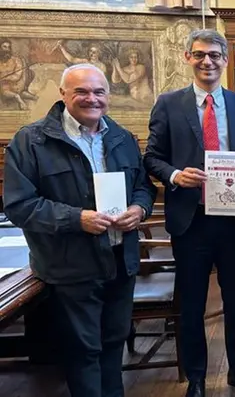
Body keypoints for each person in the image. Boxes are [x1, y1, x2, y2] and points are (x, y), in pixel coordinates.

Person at [3, 63, 157, 397]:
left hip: (120, 261)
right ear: (63, 95)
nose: (92, 99)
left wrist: (139, 209)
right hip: (71, 266)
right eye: (81, 92)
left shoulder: (121, 137)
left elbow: (143, 186)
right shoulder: (32, 141)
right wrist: (77, 219)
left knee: (114, 343)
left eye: (99, 92)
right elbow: (19, 206)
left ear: (109, 95)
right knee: (83, 350)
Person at [143, 29, 235, 397]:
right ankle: (196, 377)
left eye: (214, 55)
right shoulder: (168, 104)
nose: (207, 61)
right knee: (193, 302)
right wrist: (175, 175)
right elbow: (151, 157)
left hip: (231, 219)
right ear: (187, 58)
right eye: (199, 54)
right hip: (189, 220)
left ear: (225, 59)